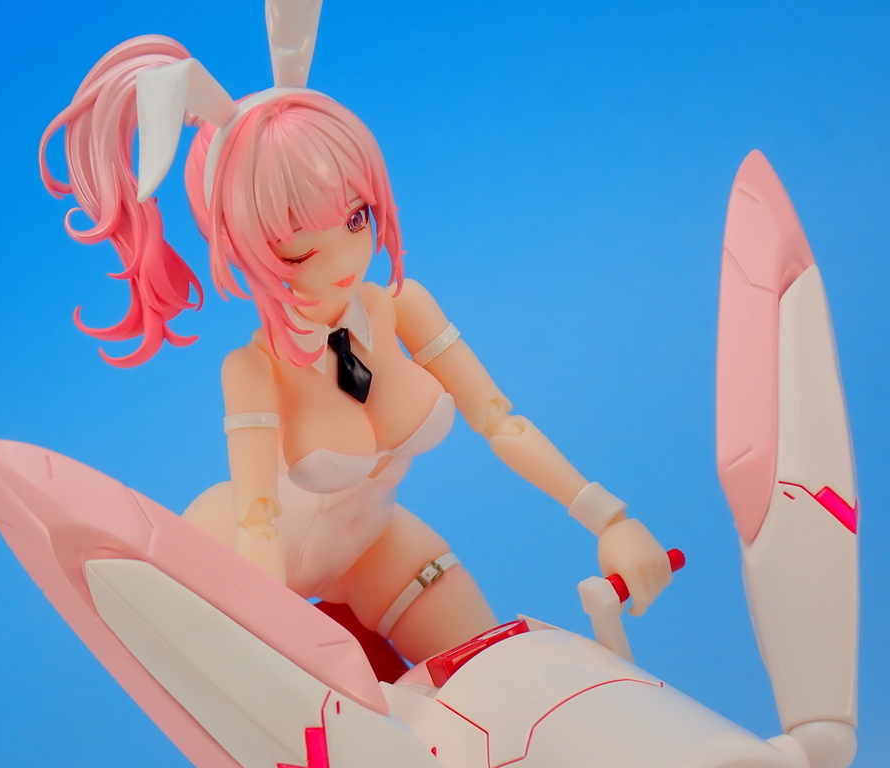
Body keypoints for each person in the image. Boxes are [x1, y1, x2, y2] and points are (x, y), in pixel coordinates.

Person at [39, 17, 671, 666]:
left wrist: (610, 520)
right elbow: (258, 522)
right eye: (299, 249)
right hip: (247, 563)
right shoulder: (255, 370)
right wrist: (272, 642)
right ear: (241, 246)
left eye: (355, 218)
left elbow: (500, 421)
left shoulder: (403, 308)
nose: (344, 259)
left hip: (377, 549)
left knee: (502, 672)